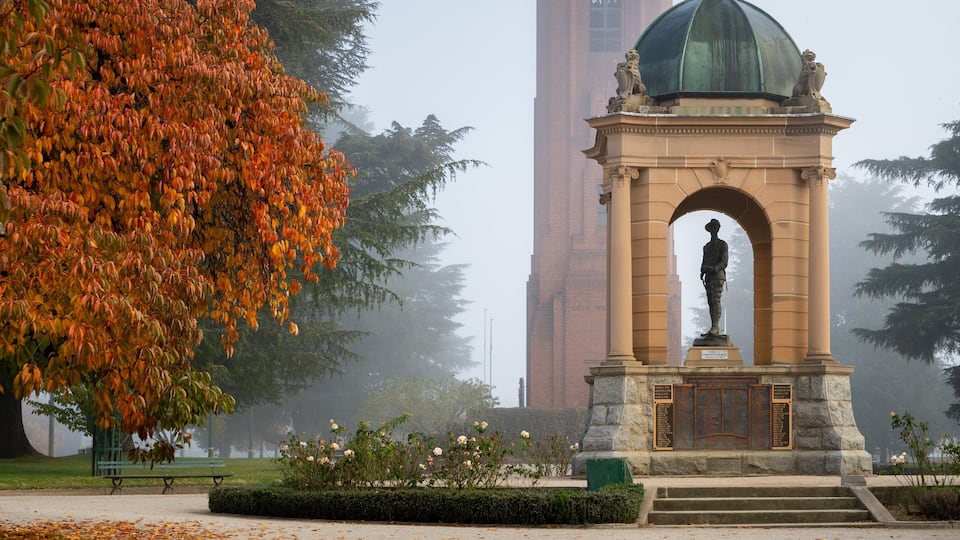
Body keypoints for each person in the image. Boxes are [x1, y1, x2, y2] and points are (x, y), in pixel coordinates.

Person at [700, 218, 728, 336]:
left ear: (718, 229)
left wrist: (714, 268)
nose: (714, 230)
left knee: (716, 301)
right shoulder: (706, 246)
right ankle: (713, 327)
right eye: (712, 228)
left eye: (715, 227)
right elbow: (704, 261)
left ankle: (715, 327)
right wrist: (702, 271)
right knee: (711, 302)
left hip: (717, 276)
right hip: (708, 277)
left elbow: (724, 262)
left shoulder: (722, 244)